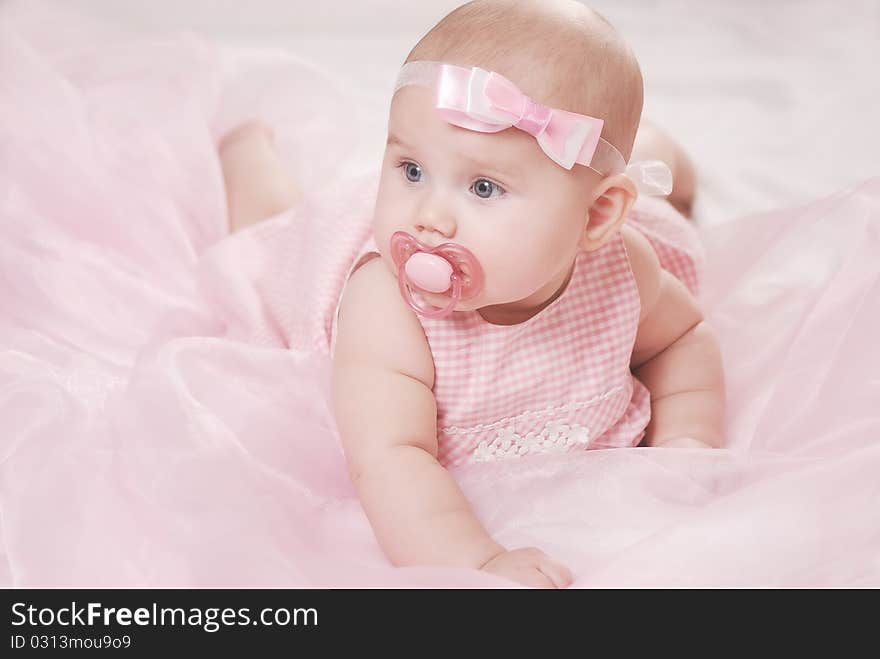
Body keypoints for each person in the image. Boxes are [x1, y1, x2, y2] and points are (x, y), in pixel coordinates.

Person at [217, 0, 725, 588]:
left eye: (484, 187)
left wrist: (689, 441)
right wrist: (477, 561)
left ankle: (657, 157)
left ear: (594, 220)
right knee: (267, 231)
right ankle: (245, 153)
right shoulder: (385, 307)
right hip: (318, 252)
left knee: (667, 195)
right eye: (409, 169)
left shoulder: (622, 270)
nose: (429, 217)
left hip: (595, 218)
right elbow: (391, 457)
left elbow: (682, 339)